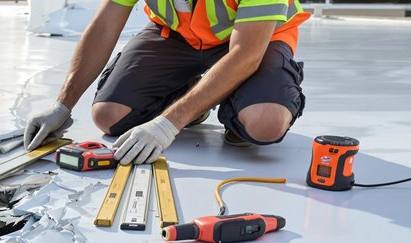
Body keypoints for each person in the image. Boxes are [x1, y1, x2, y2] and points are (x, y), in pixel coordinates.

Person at [23, 0, 310, 165]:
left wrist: (168, 123)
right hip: (177, 36)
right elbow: (104, 27)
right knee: (109, 116)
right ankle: (194, 97)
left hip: (257, 40)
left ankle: (235, 104)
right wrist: (63, 105)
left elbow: (245, 54)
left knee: (264, 123)